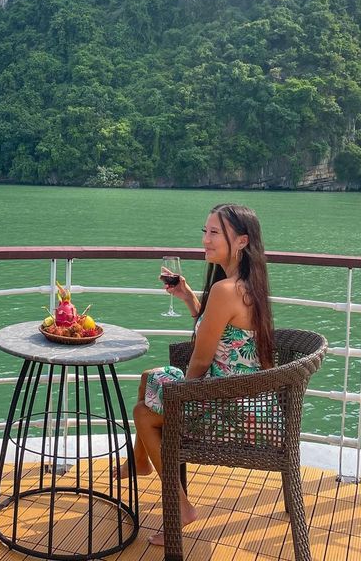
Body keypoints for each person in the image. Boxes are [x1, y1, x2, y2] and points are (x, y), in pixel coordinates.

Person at [117, 203, 274, 546]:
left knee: (143, 413)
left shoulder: (224, 290)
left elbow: (201, 361)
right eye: (204, 231)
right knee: (149, 376)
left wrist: (178, 399)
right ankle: (140, 462)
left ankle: (182, 506)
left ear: (242, 241)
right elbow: (222, 336)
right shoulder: (246, 284)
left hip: (233, 406)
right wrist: (189, 297)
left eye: (215, 232)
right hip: (247, 392)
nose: (205, 240)